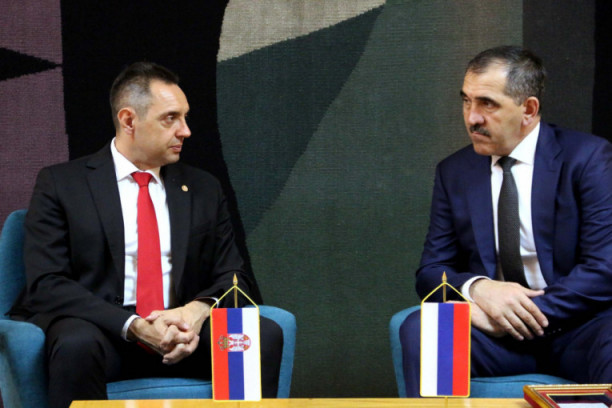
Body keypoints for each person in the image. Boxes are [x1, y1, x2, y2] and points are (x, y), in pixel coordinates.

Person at [10, 62, 283, 408]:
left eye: (185, 117)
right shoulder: (62, 184)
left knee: (259, 335)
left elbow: (234, 276)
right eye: (171, 118)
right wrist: (134, 325)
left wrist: (194, 313)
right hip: (104, 332)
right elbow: (47, 283)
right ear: (129, 120)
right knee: (76, 343)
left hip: (185, 336)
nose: (186, 131)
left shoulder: (203, 188)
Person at [400, 45, 612, 397]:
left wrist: (517, 313)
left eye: (487, 104)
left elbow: (604, 268)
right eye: (466, 101)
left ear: (528, 109)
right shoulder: (455, 171)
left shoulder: (587, 158)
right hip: (497, 341)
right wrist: (478, 289)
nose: (472, 118)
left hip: (579, 330)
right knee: (425, 329)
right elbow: (431, 271)